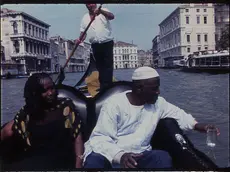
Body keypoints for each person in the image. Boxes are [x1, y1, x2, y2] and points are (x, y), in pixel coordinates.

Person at [83, 66, 220, 169]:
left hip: (139, 155)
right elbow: (100, 138)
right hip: (110, 155)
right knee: (94, 161)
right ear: (139, 88)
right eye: (154, 88)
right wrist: (120, 156)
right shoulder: (114, 104)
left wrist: (198, 126)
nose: (158, 92)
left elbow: (179, 115)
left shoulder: (158, 103)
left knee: (162, 157)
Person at [1, 73, 84, 170]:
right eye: (45, 90)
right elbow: (8, 131)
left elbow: (77, 137)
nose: (50, 93)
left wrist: (78, 164)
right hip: (35, 160)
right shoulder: (27, 112)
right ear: (35, 93)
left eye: (52, 88)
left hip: (62, 160)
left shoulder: (65, 106)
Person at [77, 3, 115, 91]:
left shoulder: (104, 11)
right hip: (95, 45)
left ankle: (107, 88)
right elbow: (83, 32)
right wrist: (80, 39)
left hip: (107, 43)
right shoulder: (85, 18)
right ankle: (103, 86)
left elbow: (112, 16)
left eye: (93, 3)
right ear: (86, 5)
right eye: (89, 4)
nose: (91, 5)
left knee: (108, 67)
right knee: (100, 67)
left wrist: (101, 11)